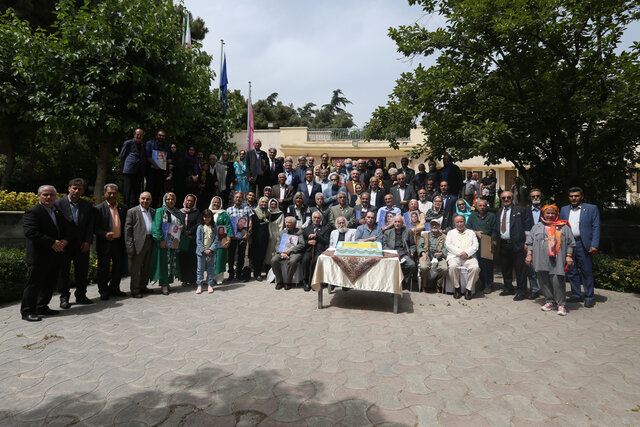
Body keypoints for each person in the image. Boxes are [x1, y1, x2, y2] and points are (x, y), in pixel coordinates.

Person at [21, 185, 69, 321]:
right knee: (34, 285)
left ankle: (41, 307)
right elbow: (31, 232)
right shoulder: (33, 212)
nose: (48, 197)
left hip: (54, 256)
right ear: (39, 196)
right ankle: (27, 312)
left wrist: (65, 241)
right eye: (45, 195)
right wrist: (52, 242)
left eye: (51, 195)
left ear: (55, 197)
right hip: (38, 257)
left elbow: (67, 228)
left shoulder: (57, 212)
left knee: (49, 284)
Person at [526, 205, 575, 316]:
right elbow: (529, 243)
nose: (550, 216)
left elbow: (571, 243)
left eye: (552, 213)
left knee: (557, 280)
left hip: (557, 259)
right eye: (547, 213)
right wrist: (529, 255)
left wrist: (569, 256)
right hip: (540, 258)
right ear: (543, 214)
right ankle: (550, 301)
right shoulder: (536, 227)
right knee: (543, 280)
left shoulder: (563, 227)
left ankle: (561, 304)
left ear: (556, 214)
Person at [55, 178, 94, 308]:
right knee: (64, 272)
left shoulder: (87, 205)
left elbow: (90, 225)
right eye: (74, 188)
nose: (77, 191)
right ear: (69, 188)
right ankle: (64, 297)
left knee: (82, 272)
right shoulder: (58, 204)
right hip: (65, 245)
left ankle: (81, 295)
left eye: (80, 189)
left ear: (83, 191)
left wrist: (88, 241)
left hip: (82, 245)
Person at [559, 187, 600, 308]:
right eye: (571, 196)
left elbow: (596, 227)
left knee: (586, 271)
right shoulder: (564, 209)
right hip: (568, 244)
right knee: (571, 271)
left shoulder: (591, 208)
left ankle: (589, 297)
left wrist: (594, 244)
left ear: (581, 196)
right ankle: (577, 295)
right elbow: (560, 226)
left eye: (576, 196)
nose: (574, 198)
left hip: (583, 244)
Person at [493, 190, 534, 300]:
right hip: (503, 244)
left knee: (520, 269)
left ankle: (522, 291)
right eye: (503, 198)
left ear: (512, 199)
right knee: (505, 267)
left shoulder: (520, 210)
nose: (506, 200)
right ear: (501, 200)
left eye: (508, 198)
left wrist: (527, 243)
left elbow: (527, 227)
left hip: (517, 244)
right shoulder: (499, 211)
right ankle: (508, 288)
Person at [95, 183, 128, 300]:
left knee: (118, 268)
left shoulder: (123, 208)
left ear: (117, 194)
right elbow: (94, 227)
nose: (112, 195)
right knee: (103, 269)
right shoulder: (98, 209)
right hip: (105, 243)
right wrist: (104, 234)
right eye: (109, 193)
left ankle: (115, 288)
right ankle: (103, 291)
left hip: (119, 243)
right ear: (105, 194)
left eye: (114, 193)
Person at [150, 192, 185, 295]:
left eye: (172, 199)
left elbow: (180, 225)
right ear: (164, 200)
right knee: (164, 264)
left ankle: (168, 283)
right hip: (164, 243)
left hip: (173, 242)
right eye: (168, 199)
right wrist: (160, 240)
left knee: (172, 263)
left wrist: (182, 227)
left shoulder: (177, 212)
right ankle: (164, 286)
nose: (170, 201)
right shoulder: (160, 211)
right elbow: (156, 226)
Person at [124, 191, 155, 298]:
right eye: (143, 198)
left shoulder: (153, 211)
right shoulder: (132, 212)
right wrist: (130, 247)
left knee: (146, 267)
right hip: (137, 244)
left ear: (150, 201)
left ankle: (143, 287)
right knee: (135, 269)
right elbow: (127, 231)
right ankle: (135, 290)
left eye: (147, 199)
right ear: (139, 199)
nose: (145, 201)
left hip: (150, 241)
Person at [445, 215, 480, 300]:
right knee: (452, 267)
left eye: (461, 222)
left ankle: (468, 290)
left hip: (469, 257)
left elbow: (475, 245)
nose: (460, 224)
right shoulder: (450, 232)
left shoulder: (471, 232)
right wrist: (460, 253)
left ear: (464, 222)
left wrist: (467, 253)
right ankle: (457, 288)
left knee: (475, 268)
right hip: (455, 256)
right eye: (457, 222)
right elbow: (448, 245)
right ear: (454, 223)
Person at [467, 199, 497, 294]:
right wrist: (475, 232)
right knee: (479, 264)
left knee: (488, 264)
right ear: (476, 207)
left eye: (484, 205)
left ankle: (489, 285)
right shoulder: (472, 216)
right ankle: (482, 283)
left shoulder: (492, 216)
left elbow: (495, 230)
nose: (482, 207)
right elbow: (467, 228)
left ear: (486, 206)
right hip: (475, 242)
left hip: (488, 241)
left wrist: (493, 243)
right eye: (480, 206)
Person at [382, 215, 417, 290]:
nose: (397, 224)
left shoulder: (408, 232)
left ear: (402, 223)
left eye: (399, 222)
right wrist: (392, 253)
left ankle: (403, 283)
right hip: (391, 254)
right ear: (393, 223)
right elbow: (384, 246)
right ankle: (389, 284)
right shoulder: (387, 233)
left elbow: (413, 245)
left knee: (412, 265)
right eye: (395, 222)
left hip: (404, 254)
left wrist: (412, 252)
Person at [271, 216, 306, 290]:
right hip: (282, 252)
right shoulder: (281, 233)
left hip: (294, 252)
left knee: (293, 261)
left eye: (289, 223)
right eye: (286, 222)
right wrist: (281, 253)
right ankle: (280, 281)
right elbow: (277, 245)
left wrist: (291, 250)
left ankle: (288, 282)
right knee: (274, 260)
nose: (287, 224)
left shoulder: (299, 232)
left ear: (294, 224)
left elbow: (302, 244)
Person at [226, 191, 254, 282]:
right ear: (234, 198)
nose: (238, 198)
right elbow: (227, 224)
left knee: (241, 256)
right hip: (233, 236)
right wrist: (230, 235)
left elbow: (250, 222)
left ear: (243, 198)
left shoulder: (247, 209)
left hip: (243, 236)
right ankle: (230, 274)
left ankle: (238, 274)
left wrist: (248, 234)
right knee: (231, 256)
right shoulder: (229, 210)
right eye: (236, 197)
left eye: (240, 197)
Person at [301, 211, 331, 291]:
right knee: (305, 260)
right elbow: (302, 242)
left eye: (318, 218)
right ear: (312, 218)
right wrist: (308, 242)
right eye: (315, 217)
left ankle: (315, 282)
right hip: (309, 250)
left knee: (316, 260)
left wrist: (317, 236)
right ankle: (306, 281)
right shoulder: (307, 229)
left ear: (321, 219)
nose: (316, 219)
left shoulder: (325, 229)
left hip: (319, 250)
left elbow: (326, 241)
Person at [418, 220, 448, 293]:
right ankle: (424, 285)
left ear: (439, 226)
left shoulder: (444, 236)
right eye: (432, 225)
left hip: (439, 256)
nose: (434, 226)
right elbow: (419, 246)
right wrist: (423, 253)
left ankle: (438, 285)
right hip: (427, 254)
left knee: (444, 268)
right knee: (424, 267)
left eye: (436, 225)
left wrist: (441, 253)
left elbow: (446, 248)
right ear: (430, 226)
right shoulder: (424, 235)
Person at [208, 196, 232, 284]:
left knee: (220, 258)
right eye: (214, 202)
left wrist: (229, 238)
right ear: (211, 202)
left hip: (221, 239)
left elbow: (228, 226)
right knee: (210, 258)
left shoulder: (224, 213)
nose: (216, 204)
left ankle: (219, 278)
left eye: (218, 202)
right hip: (209, 240)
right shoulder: (208, 212)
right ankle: (210, 278)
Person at [195, 209, 219, 294]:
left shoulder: (214, 227)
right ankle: (200, 285)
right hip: (201, 252)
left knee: (210, 269)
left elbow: (216, 239)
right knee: (200, 269)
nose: (207, 218)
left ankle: (210, 284)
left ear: (211, 217)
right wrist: (204, 250)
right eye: (205, 217)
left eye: (209, 217)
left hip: (211, 253)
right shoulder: (200, 227)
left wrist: (211, 249)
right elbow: (198, 240)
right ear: (203, 217)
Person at [120, 128, 146, 207]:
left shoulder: (142, 145)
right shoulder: (128, 143)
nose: (139, 136)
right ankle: (125, 209)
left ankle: (133, 210)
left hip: (139, 171)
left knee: (136, 193)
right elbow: (122, 156)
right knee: (127, 192)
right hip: (129, 170)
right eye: (137, 134)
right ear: (134, 135)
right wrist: (129, 164)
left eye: (141, 135)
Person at [178, 194, 199, 287]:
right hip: (182, 239)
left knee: (192, 260)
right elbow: (177, 223)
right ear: (185, 201)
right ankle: (184, 279)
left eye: (191, 201)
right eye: (188, 200)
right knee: (183, 259)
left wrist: (190, 231)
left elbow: (199, 223)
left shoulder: (197, 212)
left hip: (192, 239)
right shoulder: (179, 212)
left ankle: (193, 280)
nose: (189, 202)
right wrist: (183, 231)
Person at [527, 188, 544, 298]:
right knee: (530, 267)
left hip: (545, 242)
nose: (536, 198)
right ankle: (534, 289)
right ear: (530, 198)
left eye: (538, 196)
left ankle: (547, 289)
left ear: (541, 197)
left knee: (546, 267)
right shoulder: (525, 211)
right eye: (533, 196)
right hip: (531, 242)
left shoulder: (548, 210)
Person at [145, 130, 168, 208]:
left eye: (163, 136)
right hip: (151, 170)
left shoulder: (165, 147)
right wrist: (155, 165)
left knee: (158, 192)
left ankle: (154, 208)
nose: (161, 137)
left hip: (160, 172)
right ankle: (147, 207)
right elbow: (147, 156)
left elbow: (166, 159)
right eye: (159, 135)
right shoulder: (150, 144)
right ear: (156, 136)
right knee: (149, 190)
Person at [251, 197, 271, 281]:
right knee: (256, 256)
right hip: (256, 238)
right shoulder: (254, 212)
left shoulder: (269, 213)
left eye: (266, 202)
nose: (264, 204)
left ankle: (260, 273)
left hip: (265, 237)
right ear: (259, 202)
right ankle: (257, 273)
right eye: (262, 202)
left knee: (262, 256)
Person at [267, 198, 285, 263]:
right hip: (268, 234)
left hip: (276, 234)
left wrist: (279, 236)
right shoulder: (267, 213)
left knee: (274, 250)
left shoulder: (280, 214)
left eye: (275, 204)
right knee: (267, 251)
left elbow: (281, 226)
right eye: (271, 204)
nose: (273, 206)